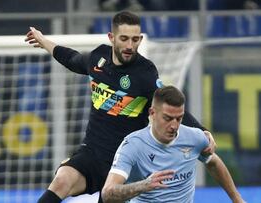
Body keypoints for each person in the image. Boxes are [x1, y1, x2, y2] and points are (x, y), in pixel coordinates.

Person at [25, 11, 215, 203]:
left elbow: (169, 105)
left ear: (140, 39)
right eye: (124, 39)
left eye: (135, 40)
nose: (130, 46)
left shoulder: (145, 73)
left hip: (126, 163)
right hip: (93, 154)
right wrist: (44, 42)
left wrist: (202, 130)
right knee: (62, 180)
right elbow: (73, 59)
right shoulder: (98, 58)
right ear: (112, 37)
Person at [101, 85, 245, 203]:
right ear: (152, 113)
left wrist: (237, 199)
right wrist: (144, 185)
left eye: (179, 118)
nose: (174, 126)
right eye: (168, 118)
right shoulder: (133, 145)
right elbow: (107, 193)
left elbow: (213, 162)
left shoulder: (194, 137)